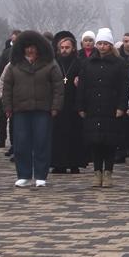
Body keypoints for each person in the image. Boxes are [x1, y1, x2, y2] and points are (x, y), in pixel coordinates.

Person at [0, 30, 64, 188]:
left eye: (33, 47)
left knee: (42, 142)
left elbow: (58, 86)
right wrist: (7, 106)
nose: (30, 50)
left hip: (43, 109)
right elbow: (7, 87)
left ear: (39, 47)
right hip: (20, 110)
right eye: (27, 47)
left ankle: (41, 175)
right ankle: (24, 175)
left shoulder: (50, 64)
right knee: (21, 143)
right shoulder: (14, 65)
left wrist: (56, 106)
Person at [77, 28, 129, 188]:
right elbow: (82, 87)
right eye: (99, 43)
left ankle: (108, 172)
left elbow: (124, 87)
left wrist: (121, 106)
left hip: (111, 107)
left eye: (105, 44)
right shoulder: (87, 63)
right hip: (93, 107)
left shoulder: (119, 63)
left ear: (110, 45)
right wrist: (80, 105)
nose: (102, 47)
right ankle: (97, 172)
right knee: (95, 142)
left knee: (109, 142)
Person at [49, 32, 84, 174]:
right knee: (58, 135)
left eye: (67, 47)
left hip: (73, 104)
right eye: (62, 47)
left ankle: (74, 163)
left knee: (74, 135)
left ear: (73, 48)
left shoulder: (79, 63)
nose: (64, 50)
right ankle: (59, 163)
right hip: (59, 105)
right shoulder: (54, 63)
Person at [0, 30, 19, 151]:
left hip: (17, 92)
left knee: (14, 121)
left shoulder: (20, 53)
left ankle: (14, 144)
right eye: (12, 41)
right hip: (5, 89)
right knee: (2, 117)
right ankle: (1, 138)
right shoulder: (6, 53)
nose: (14, 43)